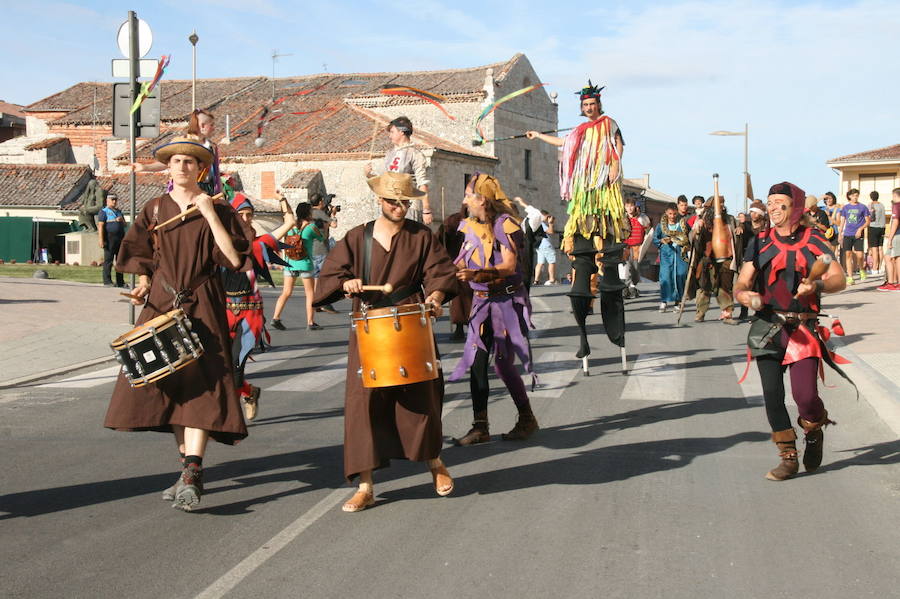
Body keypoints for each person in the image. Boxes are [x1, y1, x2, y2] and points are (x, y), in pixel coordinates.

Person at [104, 135, 250, 510]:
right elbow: (141, 254)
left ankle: (192, 472)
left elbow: (233, 259)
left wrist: (210, 213)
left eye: (190, 162)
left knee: (201, 387)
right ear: (168, 169)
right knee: (169, 384)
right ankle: (187, 468)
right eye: (176, 162)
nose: (182, 167)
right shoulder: (154, 209)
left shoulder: (218, 208)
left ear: (201, 169)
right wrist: (141, 284)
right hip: (162, 303)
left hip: (202, 303)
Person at [312, 172, 457, 512]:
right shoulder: (357, 237)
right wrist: (347, 283)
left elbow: (440, 273)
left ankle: (435, 464)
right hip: (368, 327)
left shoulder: (421, 236)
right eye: (393, 201)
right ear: (379, 201)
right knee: (364, 406)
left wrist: (435, 298)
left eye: (405, 202)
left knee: (422, 398)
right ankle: (365, 486)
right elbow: (331, 276)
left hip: (410, 320)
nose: (399, 207)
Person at [733, 181, 847, 480]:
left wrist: (818, 284)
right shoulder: (759, 241)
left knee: (805, 397)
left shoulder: (815, 240)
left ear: (794, 207)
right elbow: (742, 284)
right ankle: (788, 457)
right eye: (769, 202)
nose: (772, 208)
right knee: (772, 394)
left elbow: (839, 279)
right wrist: (747, 296)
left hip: (802, 329)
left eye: (779, 203)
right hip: (767, 326)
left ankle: (814, 429)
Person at [449, 173, 538, 445]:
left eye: (468, 195)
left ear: (482, 200)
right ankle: (480, 427)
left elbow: (509, 266)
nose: (464, 200)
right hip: (481, 303)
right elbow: (461, 262)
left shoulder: (505, 224)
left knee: (502, 366)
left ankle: (526, 418)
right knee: (477, 362)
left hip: (507, 303)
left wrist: (478, 274)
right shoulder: (470, 226)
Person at [526, 81, 625, 253]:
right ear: (582, 107)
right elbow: (563, 142)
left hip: (603, 177)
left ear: (598, 105)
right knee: (583, 213)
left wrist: (615, 166)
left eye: (592, 104)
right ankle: (584, 245)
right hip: (585, 180)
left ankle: (608, 247)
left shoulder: (609, 123)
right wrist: (538, 135)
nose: (589, 107)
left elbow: (618, 144)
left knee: (605, 212)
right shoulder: (581, 129)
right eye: (585, 105)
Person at [225, 191, 296, 421]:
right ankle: (250, 392)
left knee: (236, 367)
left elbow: (290, 222)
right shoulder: (219, 244)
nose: (246, 219)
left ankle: (230, 416)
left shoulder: (260, 244)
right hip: (223, 313)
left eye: (249, 215)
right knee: (221, 369)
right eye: (241, 214)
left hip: (250, 314)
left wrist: (282, 200)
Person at [133, 109, 222, 195]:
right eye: (212, 125)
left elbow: (216, 175)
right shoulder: (180, 143)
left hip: (206, 191)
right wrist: (145, 167)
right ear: (202, 126)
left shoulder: (212, 147)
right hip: (182, 190)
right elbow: (165, 163)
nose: (214, 128)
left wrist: (220, 194)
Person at [364, 116, 433, 224]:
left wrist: (426, 210)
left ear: (401, 132)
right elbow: (383, 180)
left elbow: (422, 183)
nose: (389, 136)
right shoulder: (389, 155)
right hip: (387, 205)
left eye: (392, 132)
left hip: (408, 206)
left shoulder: (415, 155)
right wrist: (369, 174)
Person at [271, 203, 325, 331]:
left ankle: (276, 318)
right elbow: (322, 238)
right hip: (305, 263)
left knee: (286, 292)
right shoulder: (311, 227)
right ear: (309, 213)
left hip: (290, 263)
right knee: (310, 293)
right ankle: (310, 322)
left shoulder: (290, 227)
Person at [690, 198, 737, 324]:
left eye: (722, 204)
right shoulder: (702, 221)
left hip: (726, 258)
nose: (721, 207)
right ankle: (700, 312)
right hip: (708, 259)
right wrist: (697, 230)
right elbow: (692, 238)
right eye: (718, 205)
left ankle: (727, 314)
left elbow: (736, 231)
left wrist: (739, 229)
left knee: (725, 287)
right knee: (704, 287)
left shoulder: (730, 220)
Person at [436, 200, 473, 340]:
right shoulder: (455, 220)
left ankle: (476, 327)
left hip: (476, 265)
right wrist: (444, 231)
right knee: (459, 298)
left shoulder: (483, 223)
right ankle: (459, 327)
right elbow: (441, 236)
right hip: (458, 265)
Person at [653, 203, 689, 312]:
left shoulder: (682, 223)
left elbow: (689, 235)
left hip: (680, 254)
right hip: (666, 255)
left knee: (681, 275)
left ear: (677, 213)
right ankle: (664, 301)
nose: (672, 216)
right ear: (666, 213)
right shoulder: (661, 225)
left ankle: (678, 302)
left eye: (674, 214)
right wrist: (661, 241)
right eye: (670, 214)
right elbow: (655, 238)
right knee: (665, 277)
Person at [736, 200, 768, 320]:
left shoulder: (766, 228)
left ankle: (758, 313)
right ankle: (743, 312)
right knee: (745, 284)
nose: (753, 215)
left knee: (760, 286)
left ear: (761, 214)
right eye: (751, 212)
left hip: (762, 259)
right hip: (747, 259)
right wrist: (739, 228)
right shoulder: (745, 226)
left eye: (755, 212)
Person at [310, 193, 340, 315]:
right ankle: (325, 302)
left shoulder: (309, 213)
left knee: (317, 276)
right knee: (325, 276)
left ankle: (316, 302)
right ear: (321, 202)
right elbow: (334, 225)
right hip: (321, 248)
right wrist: (333, 215)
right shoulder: (320, 214)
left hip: (311, 248)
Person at [839, 188, 870, 285]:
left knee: (860, 255)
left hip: (858, 234)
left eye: (856, 195)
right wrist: (840, 234)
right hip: (847, 234)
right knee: (848, 255)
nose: (855, 197)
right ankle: (850, 277)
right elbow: (842, 221)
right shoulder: (846, 208)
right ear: (849, 196)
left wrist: (860, 229)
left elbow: (868, 221)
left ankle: (861, 269)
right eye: (853, 195)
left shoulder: (863, 207)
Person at [622, 197, 650, 298]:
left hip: (637, 247)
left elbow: (649, 231)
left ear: (635, 206)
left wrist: (645, 244)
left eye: (631, 206)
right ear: (625, 207)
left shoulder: (642, 218)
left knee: (635, 268)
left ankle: (633, 286)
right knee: (626, 267)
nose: (629, 208)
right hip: (626, 247)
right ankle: (627, 287)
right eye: (627, 206)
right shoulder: (622, 219)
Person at [97, 192, 126, 288]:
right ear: (107, 200)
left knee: (120, 260)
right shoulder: (104, 211)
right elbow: (101, 226)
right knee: (108, 260)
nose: (114, 202)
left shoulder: (118, 211)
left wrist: (121, 220)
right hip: (109, 238)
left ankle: (120, 281)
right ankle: (107, 281)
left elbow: (125, 224)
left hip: (120, 238)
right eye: (112, 200)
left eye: (115, 200)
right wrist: (101, 239)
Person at [877, 188, 900, 291]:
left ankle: (897, 283)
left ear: (896, 196)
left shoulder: (897, 205)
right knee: (888, 257)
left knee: (897, 259)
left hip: (897, 235)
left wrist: (890, 238)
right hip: (896, 234)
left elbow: (895, 222)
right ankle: (891, 282)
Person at [533, 210, 558, 285]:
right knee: (552, 262)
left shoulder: (535, 223)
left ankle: (536, 280)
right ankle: (552, 279)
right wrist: (551, 223)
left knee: (540, 263)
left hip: (539, 245)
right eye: (547, 217)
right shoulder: (541, 224)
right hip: (546, 245)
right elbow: (550, 232)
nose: (548, 218)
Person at [867, 190, 886, 276]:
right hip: (882, 227)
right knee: (880, 248)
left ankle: (874, 268)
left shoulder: (871, 205)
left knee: (874, 248)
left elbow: (869, 217)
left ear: (871, 197)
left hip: (873, 227)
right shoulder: (882, 205)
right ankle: (880, 267)